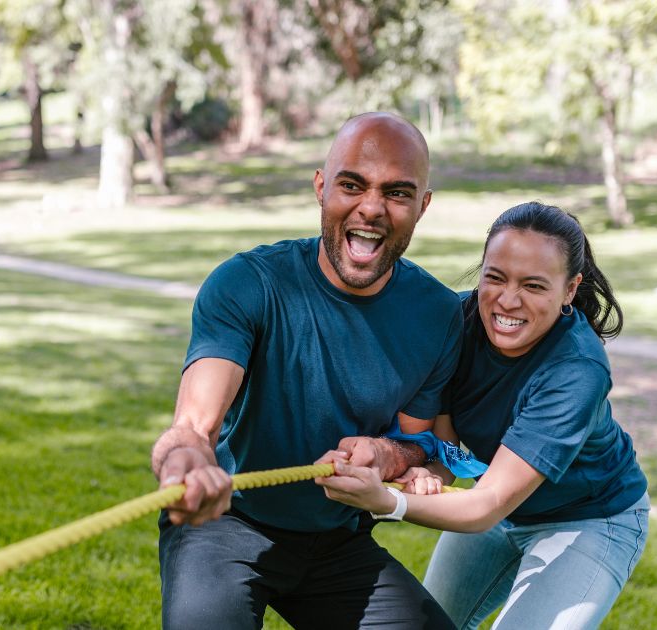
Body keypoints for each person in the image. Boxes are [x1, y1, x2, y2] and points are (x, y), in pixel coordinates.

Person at [149, 112, 460, 629]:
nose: (371, 208)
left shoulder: (439, 314)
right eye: (351, 185)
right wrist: (186, 460)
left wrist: (388, 453)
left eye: (398, 193)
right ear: (321, 187)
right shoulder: (246, 284)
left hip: (337, 541)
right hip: (225, 524)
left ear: (423, 206)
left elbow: (425, 449)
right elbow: (193, 426)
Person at [317, 202, 649, 630]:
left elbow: (487, 504)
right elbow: (451, 449)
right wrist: (429, 471)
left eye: (533, 285)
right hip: (498, 502)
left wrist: (388, 501)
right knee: (426, 624)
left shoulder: (577, 370)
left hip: (588, 517)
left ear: (570, 289)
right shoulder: (456, 323)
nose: (507, 301)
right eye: (495, 277)